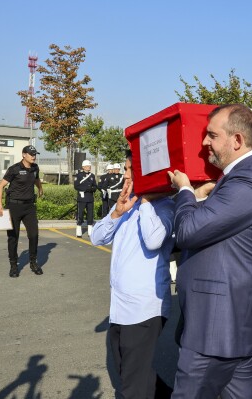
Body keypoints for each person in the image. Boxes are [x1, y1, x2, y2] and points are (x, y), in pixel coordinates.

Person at [168, 103, 252, 398]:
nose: (205, 142)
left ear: (237, 140)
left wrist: (185, 192)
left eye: (212, 135)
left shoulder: (249, 180)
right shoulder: (240, 178)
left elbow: (188, 231)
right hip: (226, 324)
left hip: (217, 327)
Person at [90, 150, 175, 399]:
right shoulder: (127, 204)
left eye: (129, 170)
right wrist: (117, 212)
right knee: (128, 370)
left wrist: (147, 200)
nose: (124, 175)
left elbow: (153, 240)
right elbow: (96, 237)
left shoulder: (165, 207)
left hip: (144, 308)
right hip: (120, 306)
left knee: (132, 384)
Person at [0, 145, 44, 277]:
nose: (33, 156)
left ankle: (33, 263)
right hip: (13, 207)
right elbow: (0, 187)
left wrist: (40, 188)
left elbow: (36, 179)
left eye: (35, 154)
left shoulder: (35, 167)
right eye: (31, 154)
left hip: (29, 207)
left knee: (34, 235)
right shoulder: (14, 169)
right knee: (13, 237)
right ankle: (13, 266)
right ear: (23, 154)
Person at [74, 160, 97, 237]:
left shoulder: (92, 176)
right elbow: (76, 186)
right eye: (87, 166)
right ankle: (78, 230)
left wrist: (91, 189)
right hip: (82, 198)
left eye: (89, 166)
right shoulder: (79, 175)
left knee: (90, 214)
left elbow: (95, 186)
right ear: (83, 167)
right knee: (80, 214)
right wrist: (86, 188)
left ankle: (90, 231)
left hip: (90, 198)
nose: (89, 167)